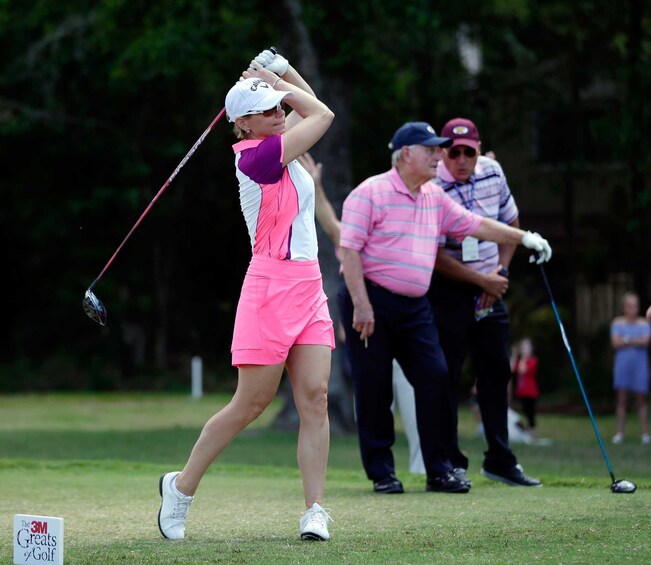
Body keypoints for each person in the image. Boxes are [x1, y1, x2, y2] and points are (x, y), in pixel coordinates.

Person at [157, 48, 336, 542]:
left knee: (315, 399)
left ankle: (315, 509)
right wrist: (271, 77)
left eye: (281, 107)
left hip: (309, 285)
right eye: (270, 109)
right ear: (243, 123)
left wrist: (278, 74)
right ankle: (181, 488)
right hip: (270, 288)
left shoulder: (281, 142)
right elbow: (321, 113)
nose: (281, 113)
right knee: (249, 404)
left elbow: (309, 104)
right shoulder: (257, 157)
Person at [337, 121, 552, 495]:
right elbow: (349, 250)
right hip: (370, 299)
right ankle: (382, 471)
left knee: (436, 376)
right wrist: (361, 305)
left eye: (440, 150)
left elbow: (476, 225)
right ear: (407, 154)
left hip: (415, 304)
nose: (439, 156)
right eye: (431, 150)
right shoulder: (369, 193)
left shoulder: (433, 197)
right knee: (373, 387)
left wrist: (525, 238)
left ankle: (440, 468)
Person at [427, 117, 543, 488]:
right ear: (443, 152)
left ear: (479, 151)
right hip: (449, 287)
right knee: (447, 374)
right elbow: (433, 253)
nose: (460, 160)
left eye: (468, 153)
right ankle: (450, 463)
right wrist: (482, 280)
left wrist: (501, 275)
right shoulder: (431, 184)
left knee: (496, 371)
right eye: (453, 152)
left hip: (492, 286)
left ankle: (500, 459)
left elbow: (511, 223)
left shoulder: (493, 172)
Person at [300, 152, 426, 474]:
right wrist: (316, 187)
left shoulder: (409, 233)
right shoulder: (353, 238)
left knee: (417, 399)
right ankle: (384, 472)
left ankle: (423, 467)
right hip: (371, 331)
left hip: (406, 326)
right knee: (374, 402)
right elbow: (329, 222)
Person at [610, 291, 650, 445]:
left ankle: (645, 434)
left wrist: (625, 339)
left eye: (635, 305)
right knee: (621, 399)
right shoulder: (617, 323)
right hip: (622, 366)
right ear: (624, 307)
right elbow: (615, 343)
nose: (633, 309)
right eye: (630, 306)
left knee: (642, 399)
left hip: (640, 366)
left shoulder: (644, 323)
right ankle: (619, 433)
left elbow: (645, 341)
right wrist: (634, 340)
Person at [511, 338, 540, 438]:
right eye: (523, 347)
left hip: (530, 392)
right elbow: (511, 368)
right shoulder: (520, 360)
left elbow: (522, 370)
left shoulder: (532, 360)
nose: (524, 349)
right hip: (521, 392)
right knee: (524, 412)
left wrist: (523, 358)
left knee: (530, 413)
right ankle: (526, 432)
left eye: (526, 347)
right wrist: (514, 354)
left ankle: (533, 434)